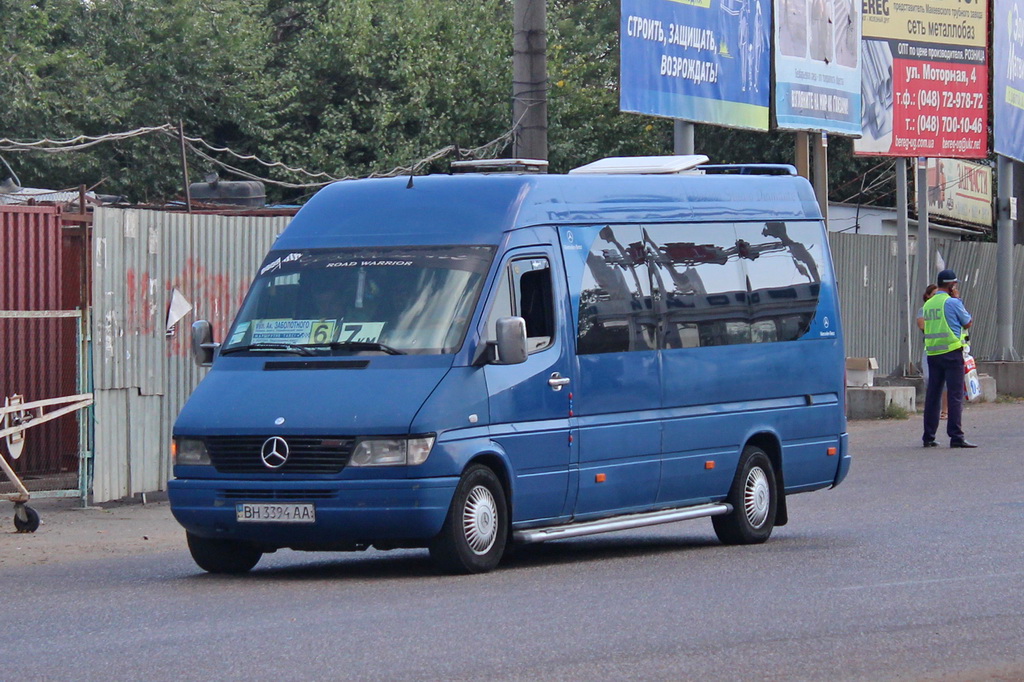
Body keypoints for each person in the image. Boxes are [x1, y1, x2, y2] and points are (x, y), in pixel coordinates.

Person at [921, 269, 975, 448]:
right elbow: (967, 322)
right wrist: (958, 299)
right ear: (951, 285)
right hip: (952, 353)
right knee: (955, 395)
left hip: (933, 354)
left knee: (933, 395)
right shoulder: (952, 302)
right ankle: (956, 436)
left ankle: (928, 436)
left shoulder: (928, 304)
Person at [916, 284, 947, 420]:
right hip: (929, 349)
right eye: (933, 294)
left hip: (946, 348)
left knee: (945, 381)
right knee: (929, 378)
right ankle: (932, 409)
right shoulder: (923, 310)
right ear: (927, 296)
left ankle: (945, 411)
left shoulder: (947, 308)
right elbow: (923, 326)